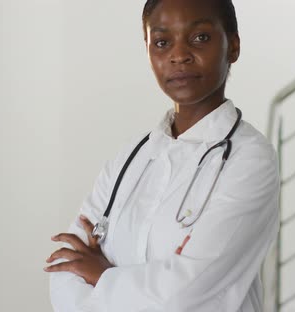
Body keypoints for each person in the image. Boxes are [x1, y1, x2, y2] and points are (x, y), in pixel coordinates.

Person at [44, 0, 280, 311]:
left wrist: (101, 274)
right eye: (162, 42)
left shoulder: (250, 160)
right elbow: (65, 270)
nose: (178, 55)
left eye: (200, 38)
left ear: (232, 46)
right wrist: (146, 281)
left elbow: (184, 294)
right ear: (148, 50)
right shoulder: (131, 158)